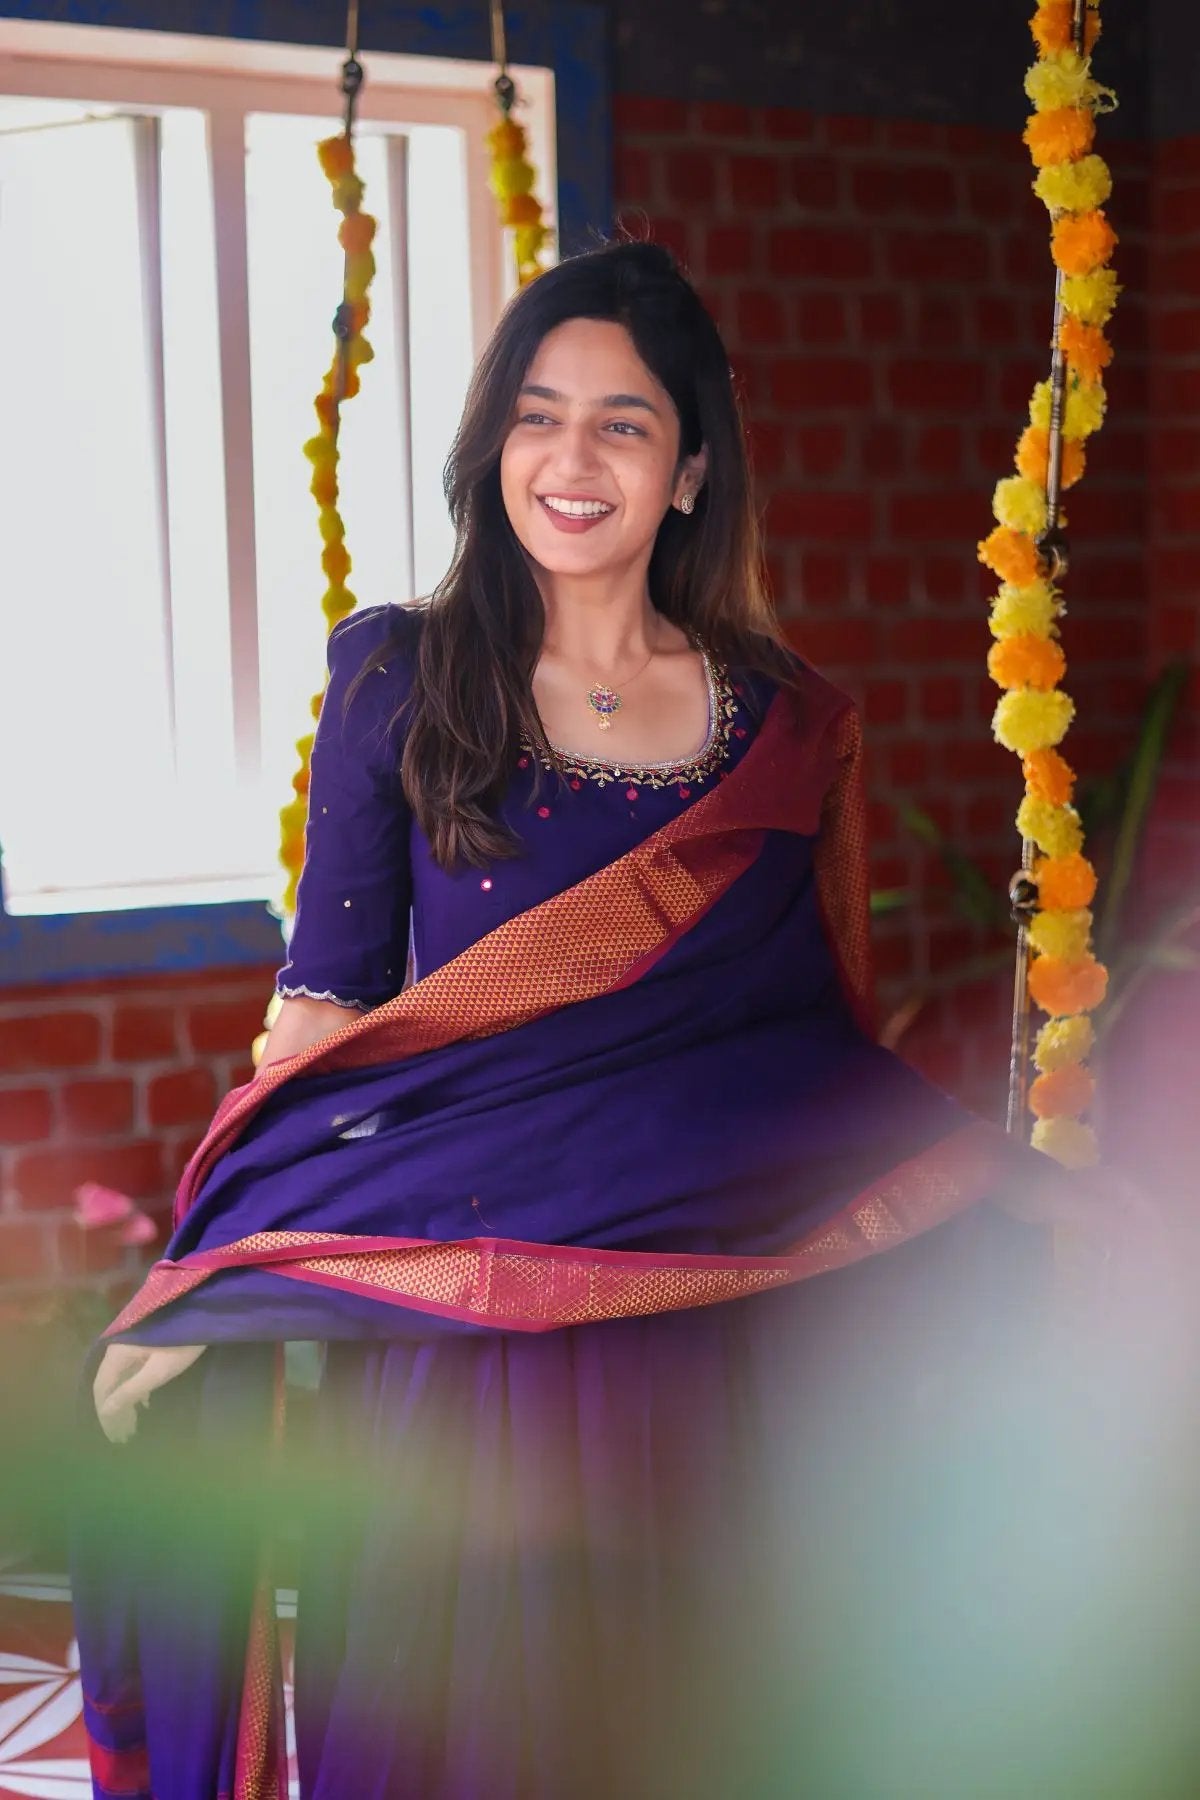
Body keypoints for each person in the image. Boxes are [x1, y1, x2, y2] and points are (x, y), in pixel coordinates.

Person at [74, 240, 1126, 1800]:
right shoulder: (402, 681)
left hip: (703, 1343)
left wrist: (1006, 1203)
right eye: (537, 415)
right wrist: (222, 1265)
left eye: (623, 423)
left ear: (690, 468)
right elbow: (324, 1027)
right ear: (493, 441)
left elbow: (800, 1062)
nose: (571, 460)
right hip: (457, 1329)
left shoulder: (776, 726)